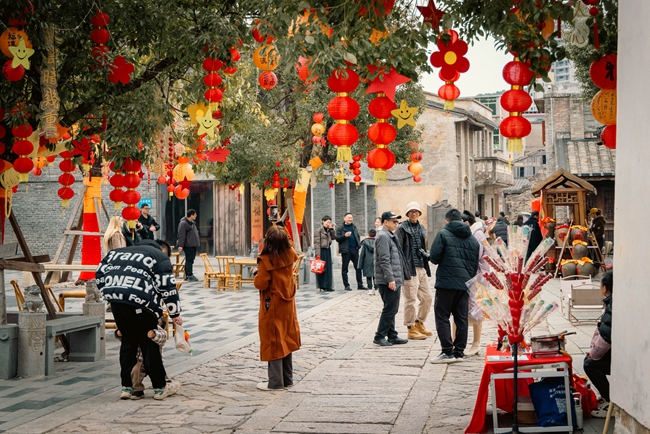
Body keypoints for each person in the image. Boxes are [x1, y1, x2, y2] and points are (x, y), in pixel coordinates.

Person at [96, 239, 182, 400]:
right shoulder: (159, 256)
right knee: (150, 344)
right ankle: (160, 387)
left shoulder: (116, 253)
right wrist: (175, 313)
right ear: (161, 250)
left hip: (117, 303)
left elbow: (99, 274)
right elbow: (168, 287)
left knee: (128, 343)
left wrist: (111, 293)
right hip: (141, 305)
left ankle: (127, 387)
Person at [429, 208, 479, 363]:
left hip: (446, 282)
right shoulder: (473, 240)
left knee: (442, 315)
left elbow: (435, 258)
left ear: (447, 220)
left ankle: (447, 351)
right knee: (461, 317)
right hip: (464, 284)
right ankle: (459, 352)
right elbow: (474, 266)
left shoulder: (443, 234)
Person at [253, 226, 301, 390]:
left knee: (273, 339)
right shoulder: (290, 253)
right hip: (287, 303)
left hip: (272, 303)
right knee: (286, 337)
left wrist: (256, 273)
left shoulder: (267, 261)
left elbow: (261, 283)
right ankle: (287, 379)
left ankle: (275, 382)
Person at [394, 202, 433, 341]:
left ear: (419, 214)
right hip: (409, 268)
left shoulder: (422, 228)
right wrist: (400, 267)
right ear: (407, 213)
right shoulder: (401, 228)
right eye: (411, 211)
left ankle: (419, 322)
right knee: (410, 299)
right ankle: (410, 328)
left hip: (421, 266)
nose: (414, 213)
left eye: (416, 211)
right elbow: (397, 249)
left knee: (427, 297)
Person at [373, 211, 411, 347]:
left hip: (394, 276)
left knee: (392, 307)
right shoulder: (383, 236)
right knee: (390, 308)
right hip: (387, 279)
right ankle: (379, 335)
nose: (396, 224)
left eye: (397, 221)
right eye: (393, 221)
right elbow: (384, 260)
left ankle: (392, 335)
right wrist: (390, 278)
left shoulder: (390, 235)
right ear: (385, 222)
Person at [115, 316, 168, 400]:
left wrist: (154, 334)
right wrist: (120, 333)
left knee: (156, 371)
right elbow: (128, 338)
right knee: (136, 372)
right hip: (140, 359)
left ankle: (161, 386)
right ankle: (137, 389)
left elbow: (163, 336)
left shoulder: (157, 329)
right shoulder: (138, 326)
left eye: (158, 323)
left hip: (153, 359)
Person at [584, 270, 613, 418]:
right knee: (589, 359)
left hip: (616, 358)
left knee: (589, 364)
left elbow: (607, 337)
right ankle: (607, 396)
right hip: (613, 353)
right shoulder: (612, 303)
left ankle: (610, 401)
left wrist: (593, 353)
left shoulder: (612, 306)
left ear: (605, 288)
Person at [461, 212, 487, 356]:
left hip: (476, 276)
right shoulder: (475, 233)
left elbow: (474, 256)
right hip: (472, 275)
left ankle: (476, 343)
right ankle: (456, 342)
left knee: (475, 309)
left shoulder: (477, 235)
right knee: (463, 308)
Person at [335, 213, 366, 290]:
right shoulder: (340, 228)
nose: (350, 219)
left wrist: (358, 245)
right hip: (346, 250)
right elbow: (337, 239)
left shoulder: (354, 227)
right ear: (344, 218)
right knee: (345, 269)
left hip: (354, 249)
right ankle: (346, 285)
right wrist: (344, 236)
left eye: (351, 218)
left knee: (358, 267)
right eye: (349, 218)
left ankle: (360, 285)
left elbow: (357, 236)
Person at [177, 209, 200, 282]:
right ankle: (189, 275)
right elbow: (181, 235)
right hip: (188, 245)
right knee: (189, 260)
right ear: (192, 215)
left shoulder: (192, 223)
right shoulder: (183, 223)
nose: (196, 216)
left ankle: (188, 274)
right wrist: (180, 245)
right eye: (195, 215)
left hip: (193, 244)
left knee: (191, 260)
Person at [314, 215, 336, 292]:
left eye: (329, 222)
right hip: (321, 250)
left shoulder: (329, 230)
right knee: (321, 268)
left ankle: (328, 285)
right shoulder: (318, 230)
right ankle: (321, 285)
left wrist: (332, 229)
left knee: (328, 268)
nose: (328, 223)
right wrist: (317, 255)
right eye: (327, 222)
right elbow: (317, 243)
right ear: (323, 221)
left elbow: (334, 238)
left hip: (327, 250)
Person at [358, 228, 377, 296]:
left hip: (367, 261)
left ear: (368, 234)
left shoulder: (365, 242)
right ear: (375, 235)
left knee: (368, 276)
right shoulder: (378, 242)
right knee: (376, 275)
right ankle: (376, 288)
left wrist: (359, 264)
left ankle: (369, 289)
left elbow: (362, 254)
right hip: (376, 260)